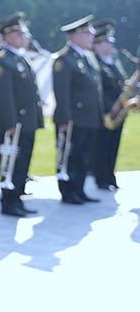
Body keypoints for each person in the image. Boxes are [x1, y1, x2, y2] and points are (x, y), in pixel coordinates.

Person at [0, 13, 44, 215]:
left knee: (22, 164)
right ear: (8, 36)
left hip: (26, 122)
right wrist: (10, 123)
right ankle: (8, 202)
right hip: (14, 124)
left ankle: (17, 199)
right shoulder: (2, 62)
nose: (24, 37)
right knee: (10, 165)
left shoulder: (21, 58)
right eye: (19, 33)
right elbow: (3, 98)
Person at [53, 15, 103, 204]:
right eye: (88, 33)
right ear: (76, 36)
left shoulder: (87, 57)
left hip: (89, 118)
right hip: (74, 118)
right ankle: (68, 192)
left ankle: (79, 190)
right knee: (69, 156)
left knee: (83, 157)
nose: (92, 36)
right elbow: (62, 93)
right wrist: (65, 119)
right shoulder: (64, 60)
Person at [93, 19, 129, 190]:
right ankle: (101, 178)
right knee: (101, 147)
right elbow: (97, 89)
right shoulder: (95, 62)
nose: (110, 46)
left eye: (111, 42)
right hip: (105, 112)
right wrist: (110, 106)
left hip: (119, 112)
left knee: (114, 145)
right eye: (106, 42)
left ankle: (110, 176)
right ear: (97, 44)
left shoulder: (113, 61)